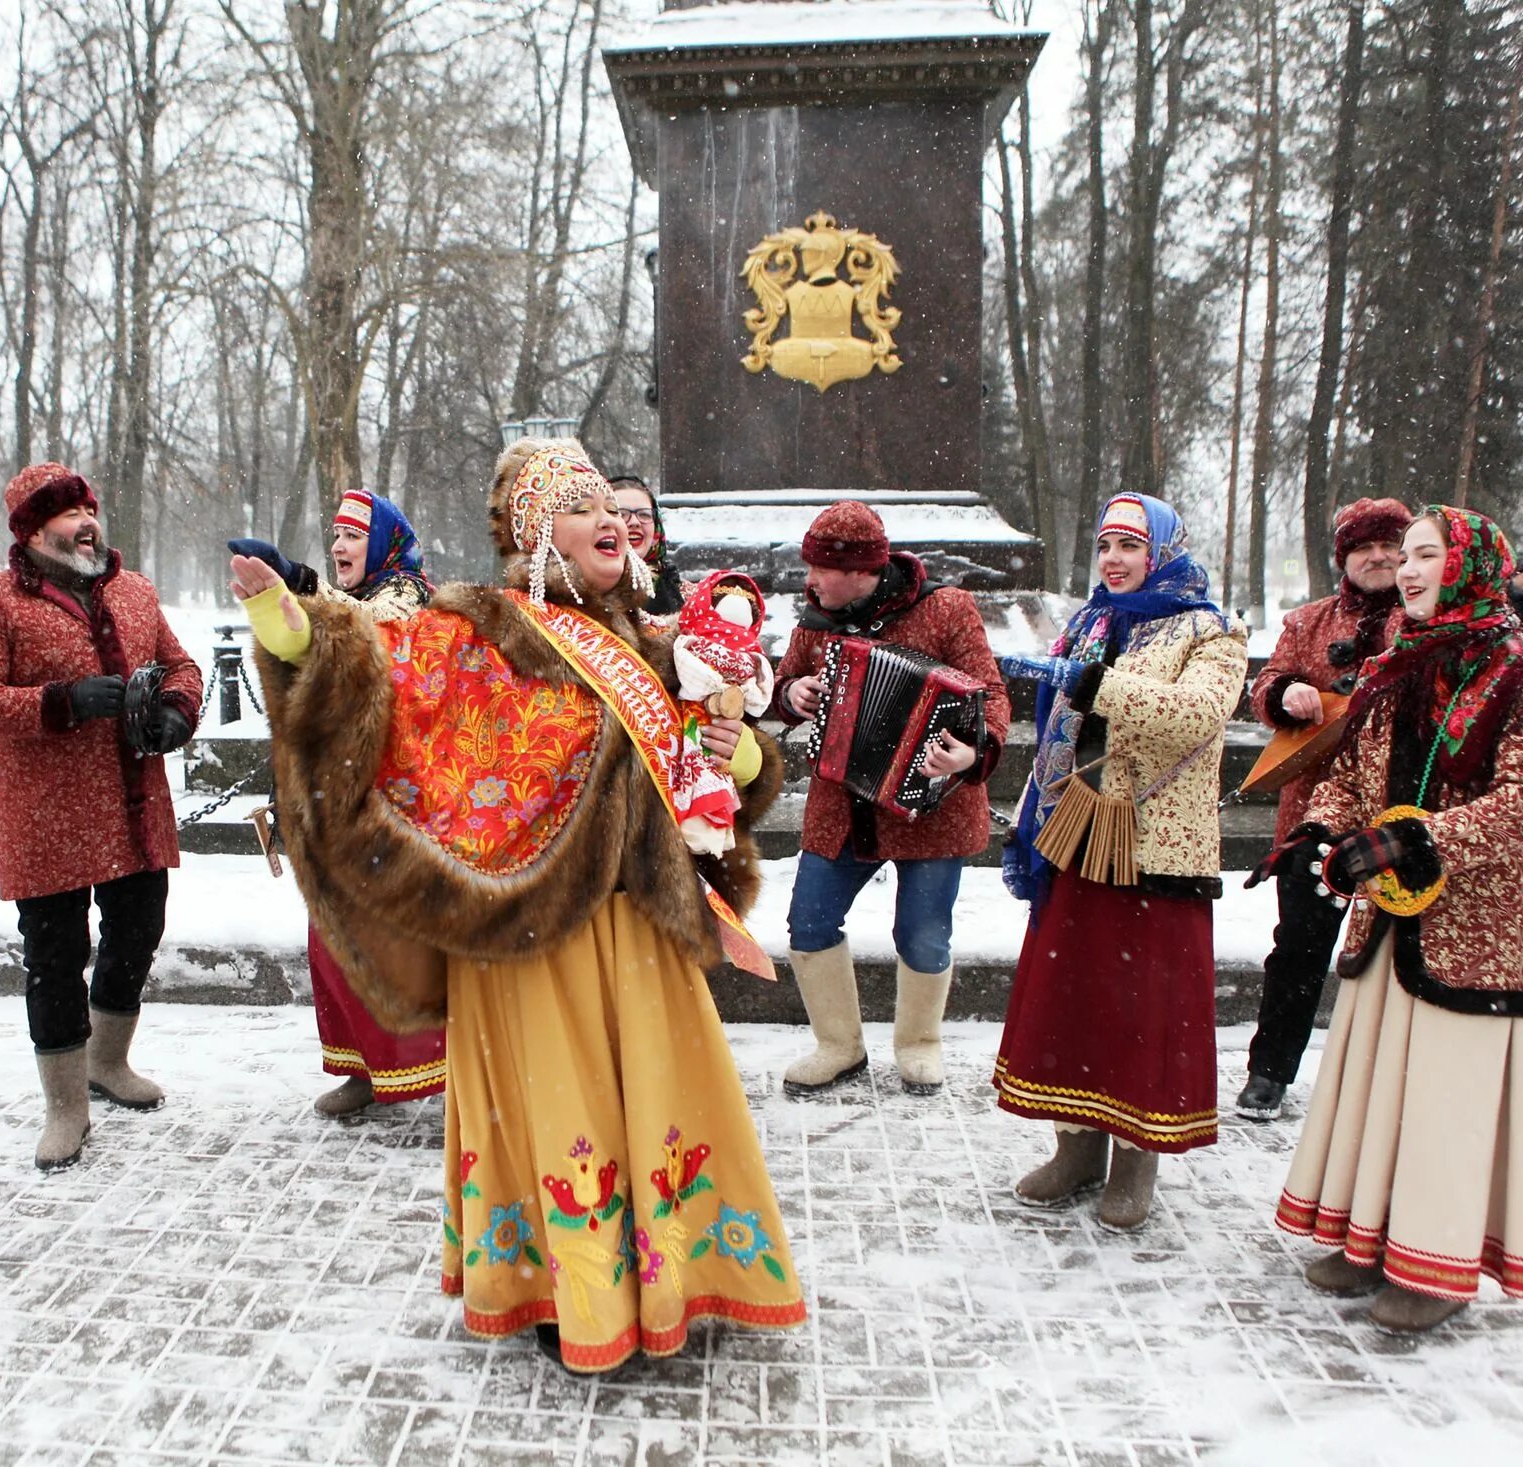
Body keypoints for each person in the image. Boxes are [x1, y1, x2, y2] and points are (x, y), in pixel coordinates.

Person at [233, 437, 804, 1374]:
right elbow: (373, 671)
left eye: (613, 507)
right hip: (527, 932)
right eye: (582, 507)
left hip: (634, 934)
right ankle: (565, 1287)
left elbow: (723, 773)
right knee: (559, 1113)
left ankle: (662, 1276)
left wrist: (738, 746)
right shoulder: (479, 630)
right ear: (539, 531)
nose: (611, 519)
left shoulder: (659, 645)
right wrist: (287, 620)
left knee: (654, 1104)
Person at [1257, 506, 1523, 1334]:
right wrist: (1325, 829)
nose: (1409, 570)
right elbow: (1351, 769)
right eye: (1408, 557)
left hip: (1473, 924)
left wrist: (1415, 839)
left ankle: (1434, 1263)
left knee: (1442, 1091)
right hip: (1390, 920)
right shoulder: (1399, 660)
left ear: (1471, 566)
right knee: (1380, 1077)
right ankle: (1368, 1237)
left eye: (1426, 554)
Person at [991, 493, 1246, 1232]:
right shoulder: (1090, 620)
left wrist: (1092, 682)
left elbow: (1195, 716)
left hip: (1155, 847)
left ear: (1163, 551)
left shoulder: (1212, 630)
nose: (1114, 560)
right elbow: (1061, 720)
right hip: (1079, 829)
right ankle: (1076, 1149)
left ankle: (1137, 1159)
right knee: (1076, 995)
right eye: (1106, 545)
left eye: (1130, 546)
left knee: (1143, 1007)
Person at [0, 462, 202, 1171]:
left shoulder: (135, 590)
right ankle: (65, 1106)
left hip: (134, 805)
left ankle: (107, 1061)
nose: (87, 521)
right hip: (48, 814)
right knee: (55, 958)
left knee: (138, 930)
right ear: (31, 530)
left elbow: (182, 666)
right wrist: (62, 700)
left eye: (91, 507)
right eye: (69, 514)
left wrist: (178, 711)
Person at [768, 501, 1010, 1097]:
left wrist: (972, 752)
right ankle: (839, 1046)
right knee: (809, 921)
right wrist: (790, 691)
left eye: (821, 568)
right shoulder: (816, 620)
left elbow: (993, 694)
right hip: (843, 805)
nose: (811, 580)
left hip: (934, 803)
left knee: (922, 934)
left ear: (861, 570)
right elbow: (782, 685)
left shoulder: (947, 609)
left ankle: (919, 1045)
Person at [232, 488, 446, 1117]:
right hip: (333, 794)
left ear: (382, 543)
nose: (340, 545)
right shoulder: (345, 600)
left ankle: (434, 1069)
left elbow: (363, 640)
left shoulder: (406, 594)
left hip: (388, 801)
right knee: (331, 938)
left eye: (354, 535)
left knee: (387, 941)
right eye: (335, 535)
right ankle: (362, 1068)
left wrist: (301, 586)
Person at [1234, 497, 1409, 1122]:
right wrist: (1287, 692)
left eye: (1391, 545)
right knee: (1300, 947)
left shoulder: (1426, 618)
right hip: (1313, 811)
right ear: (1345, 557)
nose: (1380, 557)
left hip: (1400, 816)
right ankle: (1270, 1071)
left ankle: (1386, 1080)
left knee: (1397, 951)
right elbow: (1265, 684)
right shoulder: (1309, 620)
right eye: (1365, 548)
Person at [610, 474, 684, 617]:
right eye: (621, 514)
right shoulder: (578, 592)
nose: (635, 522)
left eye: (644, 515)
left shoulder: (678, 590)